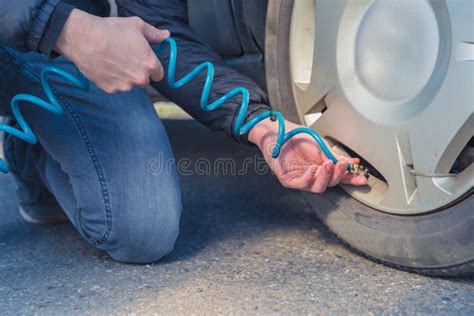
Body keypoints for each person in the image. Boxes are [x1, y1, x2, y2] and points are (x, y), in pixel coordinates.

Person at [0, 0, 367, 263]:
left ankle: (30, 148)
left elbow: (164, 36)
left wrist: (262, 125)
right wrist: (63, 26)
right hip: (37, 28)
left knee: (143, 231)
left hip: (59, 49)